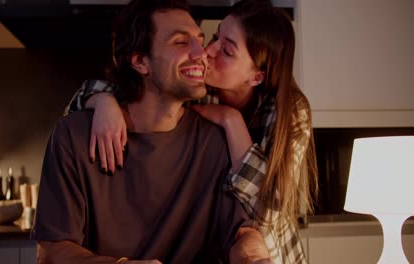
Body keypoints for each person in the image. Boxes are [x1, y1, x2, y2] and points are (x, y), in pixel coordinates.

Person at [64, 0, 319, 263]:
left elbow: (269, 211)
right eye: (216, 36)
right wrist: (104, 102)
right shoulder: (199, 91)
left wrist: (232, 123)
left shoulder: (288, 112)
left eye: (227, 51)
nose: (208, 51)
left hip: (269, 255)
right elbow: (122, 89)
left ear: (256, 77)